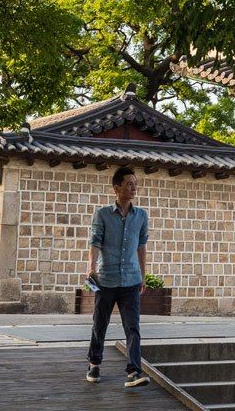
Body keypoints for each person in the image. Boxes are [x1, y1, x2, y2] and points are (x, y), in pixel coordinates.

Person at [86, 165, 150, 388]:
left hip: (131, 280)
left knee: (133, 327)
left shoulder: (141, 215)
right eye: (129, 184)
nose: (134, 188)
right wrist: (91, 268)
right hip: (106, 279)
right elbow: (95, 242)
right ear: (116, 188)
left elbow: (141, 247)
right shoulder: (102, 214)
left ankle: (133, 371)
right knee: (99, 324)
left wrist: (143, 275)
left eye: (135, 185)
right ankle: (94, 363)